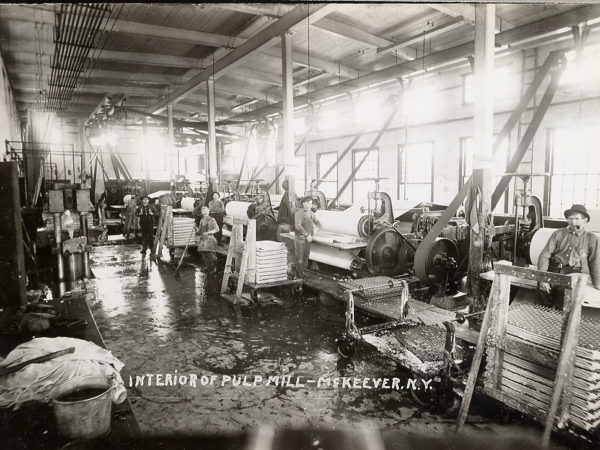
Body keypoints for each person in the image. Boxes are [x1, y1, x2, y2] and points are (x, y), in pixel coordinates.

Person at [538, 204, 599, 308]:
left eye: (577, 218)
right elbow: (544, 255)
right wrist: (542, 278)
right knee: (542, 305)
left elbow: (595, 262)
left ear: (585, 220)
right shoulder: (558, 234)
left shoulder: (592, 238)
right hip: (552, 271)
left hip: (573, 275)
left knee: (563, 307)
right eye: (570, 218)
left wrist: (597, 283)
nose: (573, 222)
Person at [294, 196, 321, 277]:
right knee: (300, 257)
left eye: (310, 203)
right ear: (303, 203)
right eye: (306, 203)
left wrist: (320, 226)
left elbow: (316, 222)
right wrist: (306, 235)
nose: (308, 205)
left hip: (308, 239)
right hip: (300, 238)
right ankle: (299, 272)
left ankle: (304, 270)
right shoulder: (299, 213)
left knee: (306, 256)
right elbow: (298, 226)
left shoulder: (312, 214)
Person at [196, 206, 219, 273]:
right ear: (202, 212)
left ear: (209, 211)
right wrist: (196, 229)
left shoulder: (212, 220)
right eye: (203, 211)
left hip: (209, 239)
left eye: (206, 210)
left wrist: (208, 232)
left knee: (211, 255)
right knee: (204, 255)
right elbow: (200, 231)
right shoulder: (201, 220)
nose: (204, 212)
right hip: (203, 240)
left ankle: (213, 268)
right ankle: (208, 266)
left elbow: (216, 229)